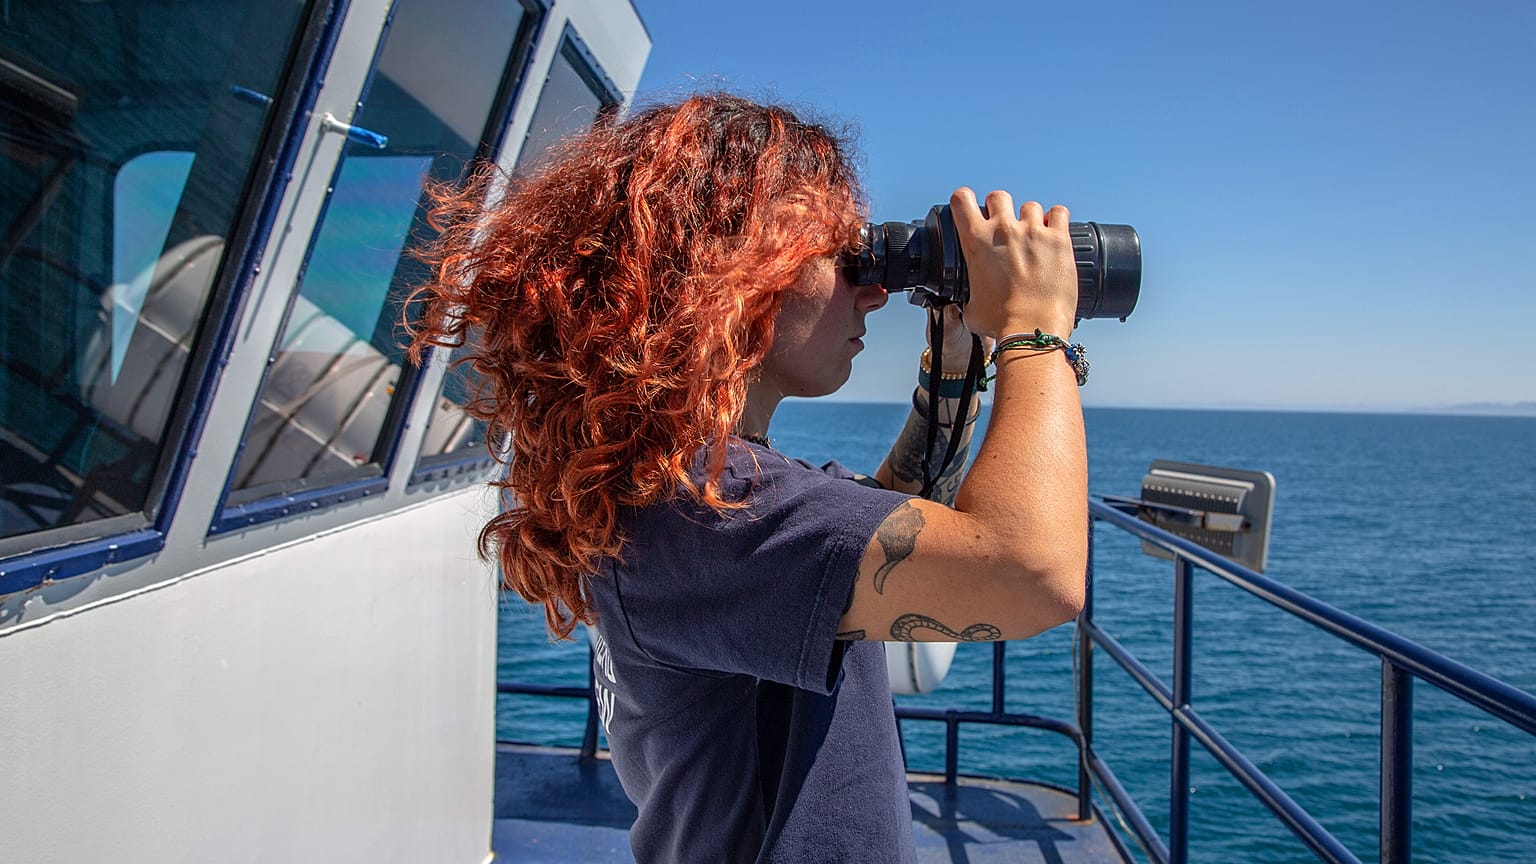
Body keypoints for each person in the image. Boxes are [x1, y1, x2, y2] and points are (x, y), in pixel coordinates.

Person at [407, 93, 1087, 863]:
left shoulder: (689, 483)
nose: (871, 290)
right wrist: (1036, 327)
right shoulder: (708, 510)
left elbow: (898, 520)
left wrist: (959, 354)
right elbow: (1030, 571)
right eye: (841, 258)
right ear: (731, 273)